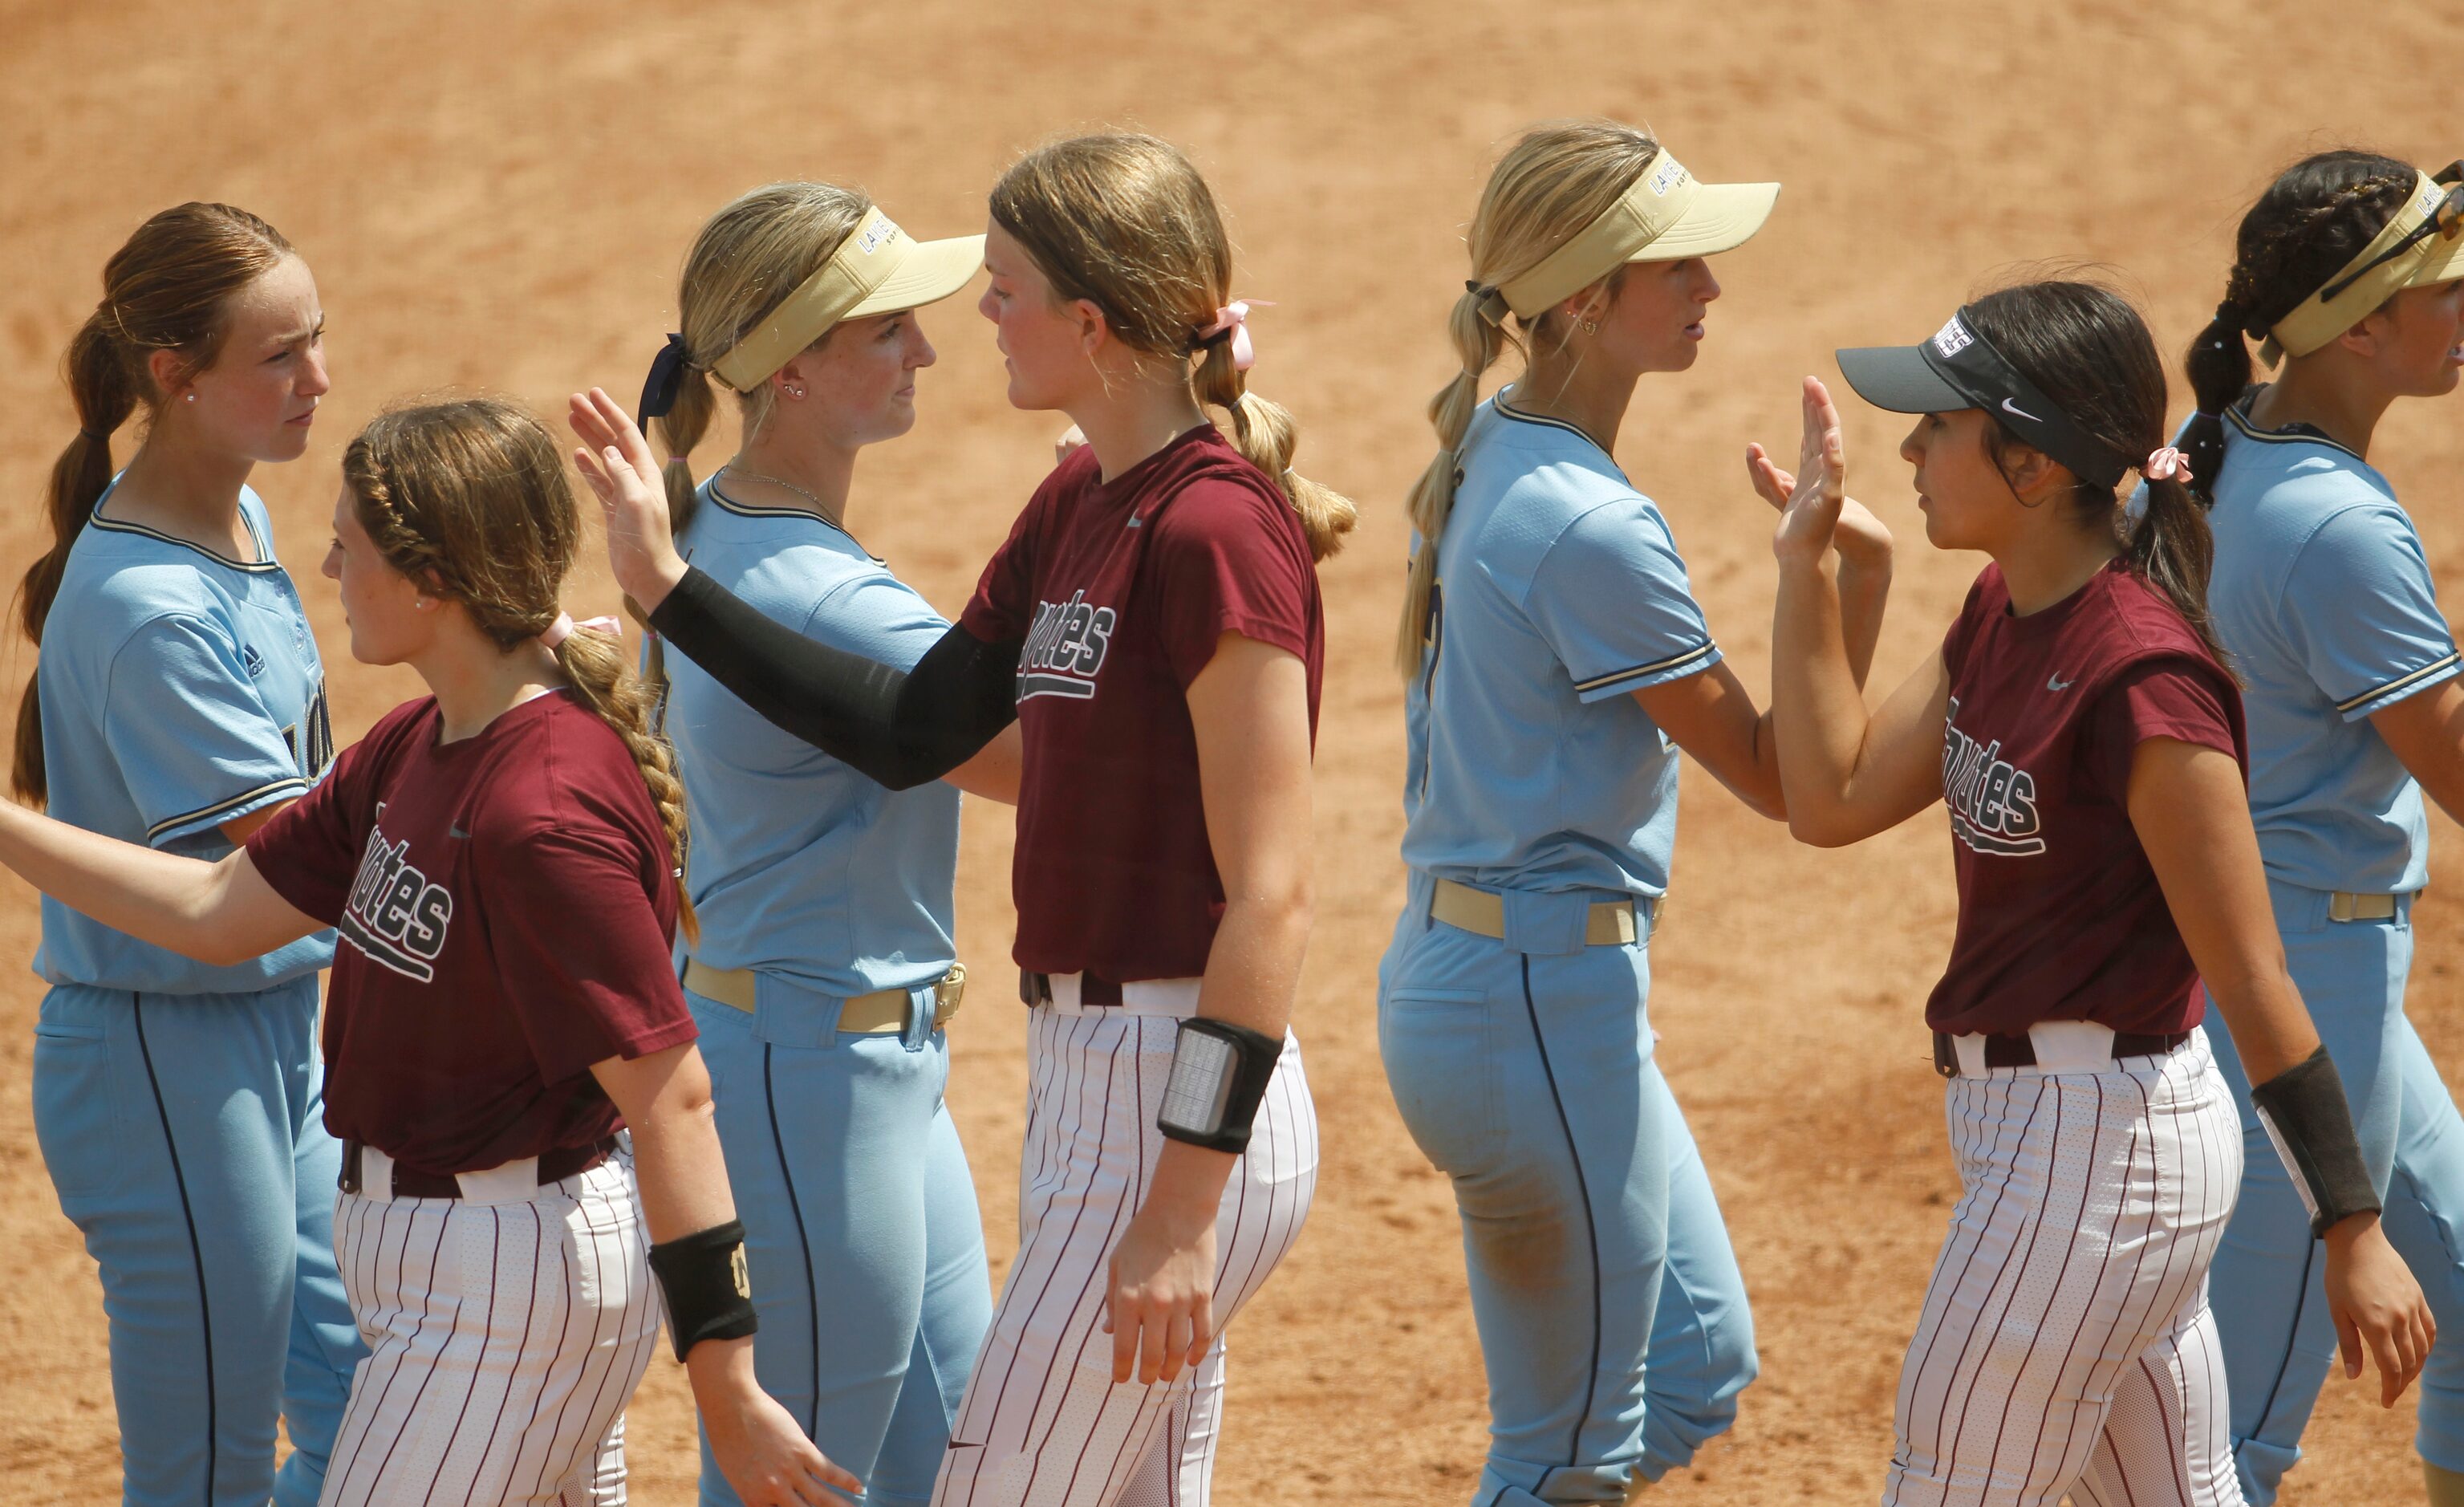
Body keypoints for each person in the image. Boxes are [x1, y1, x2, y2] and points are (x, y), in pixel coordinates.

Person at [574, 128, 1348, 1507]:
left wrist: (1179, 1212)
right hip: (1049, 1077)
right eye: (916, 313)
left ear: (1092, 321)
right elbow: (918, 730)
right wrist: (670, 593)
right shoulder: (1073, 505)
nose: (966, 323)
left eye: (1000, 289)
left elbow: (1270, 891)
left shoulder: (1205, 529)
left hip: (1170, 1091)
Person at [0, 398, 859, 1506]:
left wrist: (727, 1375)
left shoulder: (536, 811)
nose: (325, 563)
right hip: (468, 1269)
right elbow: (220, 907)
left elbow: (673, 1097)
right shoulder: (421, 740)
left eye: (349, 545)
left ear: (432, 581)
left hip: (502, 1282)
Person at [1760, 278, 2432, 1505]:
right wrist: (1816, 569)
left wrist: (2353, 1225)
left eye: (1941, 424)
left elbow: (2252, 973)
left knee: (1950, 1477)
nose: (1910, 446)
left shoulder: (2142, 681)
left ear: (2032, 465)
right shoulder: (2003, 608)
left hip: (2098, 1155)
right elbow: (1834, 797)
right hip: (2072, 1141)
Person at [1378, 119, 1893, 1506]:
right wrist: (1823, 577)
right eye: (1679, 266)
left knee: (1700, 1359)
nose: (1711, 287)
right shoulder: (1589, 522)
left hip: (1507, 984)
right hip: (1534, 1000)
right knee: (1566, 1463)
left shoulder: (1495, 445)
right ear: (1588, 298)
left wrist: (1860, 566)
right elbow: (1796, 781)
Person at [631, 181, 1013, 1507]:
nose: (926, 348)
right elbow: (1036, 766)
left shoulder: (722, 527)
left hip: (861, 1068)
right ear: (791, 365)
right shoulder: (810, 586)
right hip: (814, 1083)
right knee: (805, 1482)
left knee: (956, 1462)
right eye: (888, 328)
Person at [14, 201, 362, 1507]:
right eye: (279, 357)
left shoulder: (237, 515)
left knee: (368, 1406)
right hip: (167, 1065)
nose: (317, 380)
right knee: (206, 1473)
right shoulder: (151, 608)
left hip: (277, 1037)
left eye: (316, 341)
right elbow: (300, 849)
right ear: (173, 376)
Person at [2174, 149, 2464, 1507]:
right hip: (2307, 995)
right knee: (2233, 1437)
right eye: (2447, 288)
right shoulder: (2337, 526)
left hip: (2282, 958)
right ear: (2361, 324)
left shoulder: (2224, 449)